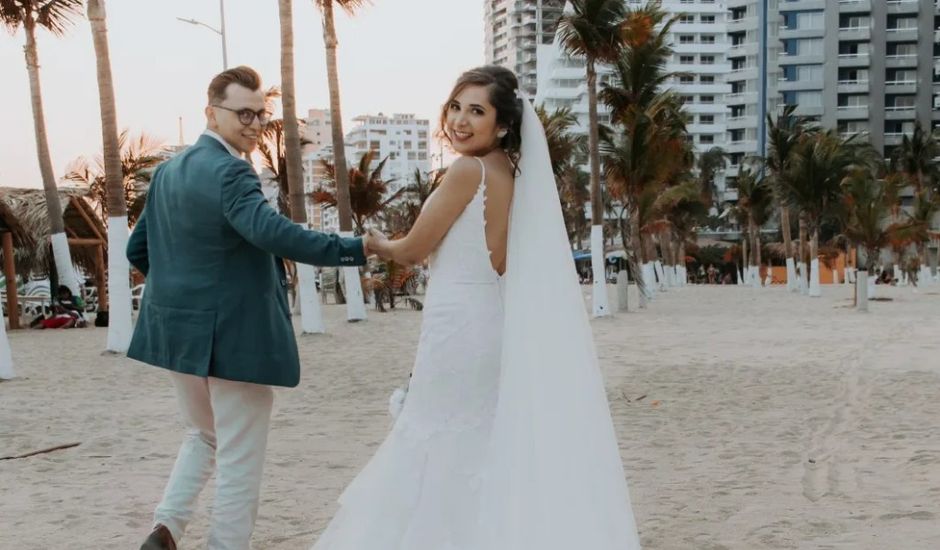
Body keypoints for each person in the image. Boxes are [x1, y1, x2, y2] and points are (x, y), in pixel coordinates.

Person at [311, 66, 640, 549]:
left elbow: (412, 249)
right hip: (491, 318)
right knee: (477, 442)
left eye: (477, 111)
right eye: (456, 106)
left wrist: (376, 242)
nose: (460, 120)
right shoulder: (512, 173)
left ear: (503, 125)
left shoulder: (468, 170)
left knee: (437, 440)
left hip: (457, 325)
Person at [128, 66, 370, 550]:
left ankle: (166, 529)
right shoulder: (231, 170)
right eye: (243, 113)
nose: (255, 123)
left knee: (203, 435)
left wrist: (186, 291)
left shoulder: (167, 171)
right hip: (232, 336)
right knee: (240, 453)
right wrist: (352, 248)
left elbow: (139, 250)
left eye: (261, 113)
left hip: (178, 336)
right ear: (211, 114)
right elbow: (271, 232)